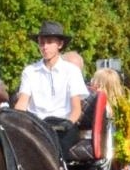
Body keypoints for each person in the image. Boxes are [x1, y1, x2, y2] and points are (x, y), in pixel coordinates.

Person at [14, 21, 88, 153]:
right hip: (37, 126)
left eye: (49, 42)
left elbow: (76, 109)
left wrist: (68, 123)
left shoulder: (71, 71)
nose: (44, 47)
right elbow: (22, 104)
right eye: (41, 42)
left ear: (60, 44)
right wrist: (15, 120)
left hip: (63, 126)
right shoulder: (30, 71)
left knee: (53, 147)